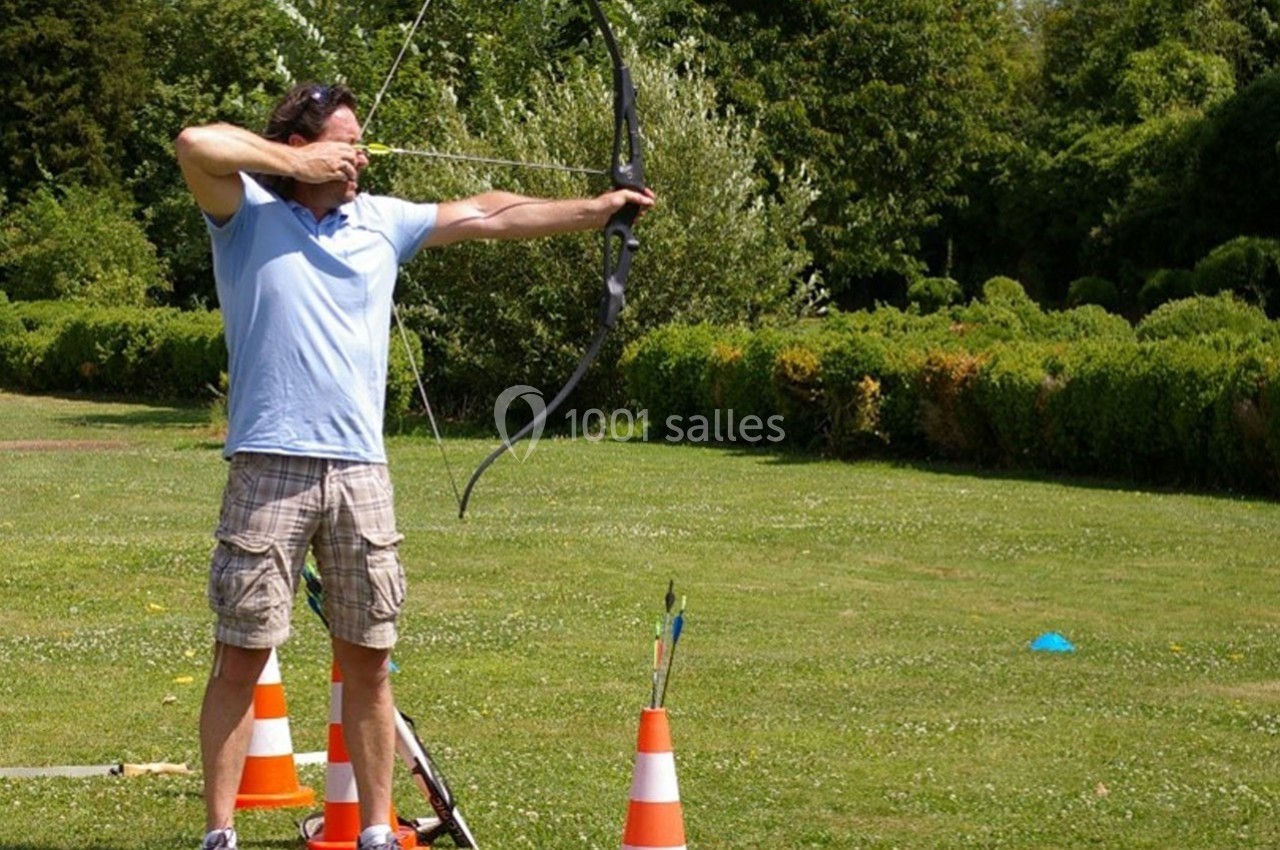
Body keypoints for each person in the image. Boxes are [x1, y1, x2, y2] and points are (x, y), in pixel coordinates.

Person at [175, 82, 654, 850]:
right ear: (303, 148)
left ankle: (374, 832)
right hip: (269, 467)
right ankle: (219, 835)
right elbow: (197, 143)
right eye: (345, 143)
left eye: (361, 144)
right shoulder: (245, 216)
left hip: (361, 472)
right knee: (242, 655)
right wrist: (291, 162)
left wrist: (598, 210)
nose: (359, 156)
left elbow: (487, 212)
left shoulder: (381, 221)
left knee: (370, 663)